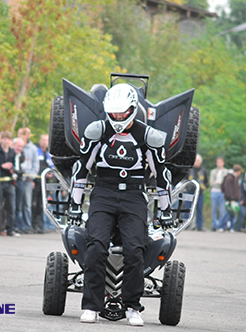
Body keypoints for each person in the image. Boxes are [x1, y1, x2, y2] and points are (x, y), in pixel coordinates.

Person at [69, 83, 173, 326]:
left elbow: (161, 175)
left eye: (121, 113)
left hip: (134, 197)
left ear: (132, 109)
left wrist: (166, 209)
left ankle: (132, 307)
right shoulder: (97, 131)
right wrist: (75, 204)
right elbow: (81, 170)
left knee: (135, 249)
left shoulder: (148, 137)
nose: (116, 118)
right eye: (113, 113)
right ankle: (92, 307)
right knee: (95, 246)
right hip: (103, 194)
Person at [0, 131, 19, 237]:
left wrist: (11, 168)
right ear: (1, 139)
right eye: (5, 139)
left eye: (8, 139)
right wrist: (1, 166)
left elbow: (13, 164)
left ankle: (11, 229)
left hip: (9, 181)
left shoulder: (12, 151)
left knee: (11, 207)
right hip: (0, 180)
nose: (6, 141)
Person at [16, 127, 39, 233]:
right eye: (20, 133)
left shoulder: (32, 148)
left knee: (27, 204)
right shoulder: (16, 145)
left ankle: (27, 225)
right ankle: (18, 225)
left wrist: (32, 175)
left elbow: (35, 163)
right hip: (18, 178)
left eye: (24, 134)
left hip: (28, 179)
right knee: (18, 203)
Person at [187, 154, 208, 231]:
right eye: (196, 160)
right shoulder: (189, 169)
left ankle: (199, 226)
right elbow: (184, 179)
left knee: (199, 209)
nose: (197, 162)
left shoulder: (204, 171)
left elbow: (207, 182)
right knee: (188, 209)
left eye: (198, 161)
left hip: (200, 193)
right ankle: (187, 225)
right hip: (189, 192)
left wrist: (204, 188)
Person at [219, 165, 242, 232]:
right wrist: (231, 199)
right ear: (239, 171)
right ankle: (222, 226)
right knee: (227, 213)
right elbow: (228, 189)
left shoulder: (237, 178)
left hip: (235, 199)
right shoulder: (230, 178)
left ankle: (231, 227)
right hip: (230, 199)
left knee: (233, 213)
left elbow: (237, 189)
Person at [209, 156, 227, 231]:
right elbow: (212, 182)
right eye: (217, 162)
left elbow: (225, 183)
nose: (219, 164)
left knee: (222, 209)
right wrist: (219, 183)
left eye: (220, 162)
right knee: (213, 209)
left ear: (223, 163)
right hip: (214, 191)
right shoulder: (213, 171)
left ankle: (221, 225)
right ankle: (214, 225)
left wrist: (218, 182)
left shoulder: (226, 172)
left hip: (222, 192)